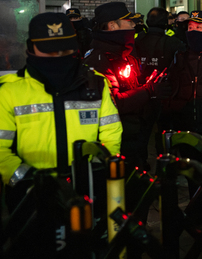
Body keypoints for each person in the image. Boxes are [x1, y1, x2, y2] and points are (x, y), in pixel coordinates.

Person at [0, 12, 122, 190]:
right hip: (29, 198)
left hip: (86, 192)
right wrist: (27, 180)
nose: (57, 55)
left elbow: (111, 135)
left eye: (65, 49)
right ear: (30, 47)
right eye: (48, 50)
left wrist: (95, 172)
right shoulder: (9, 91)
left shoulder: (96, 84)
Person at [84, 2, 171, 170]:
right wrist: (149, 90)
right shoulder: (98, 60)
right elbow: (114, 102)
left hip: (135, 137)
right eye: (128, 22)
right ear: (112, 26)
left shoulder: (124, 54)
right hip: (118, 142)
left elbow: (131, 88)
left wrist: (150, 87)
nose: (134, 25)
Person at [164, 11, 202, 142]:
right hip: (184, 126)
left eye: (199, 27)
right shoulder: (179, 57)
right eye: (190, 28)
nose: (193, 31)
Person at [135, 7, 186, 83]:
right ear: (166, 23)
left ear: (147, 22)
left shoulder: (137, 40)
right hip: (166, 87)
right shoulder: (173, 42)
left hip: (139, 87)